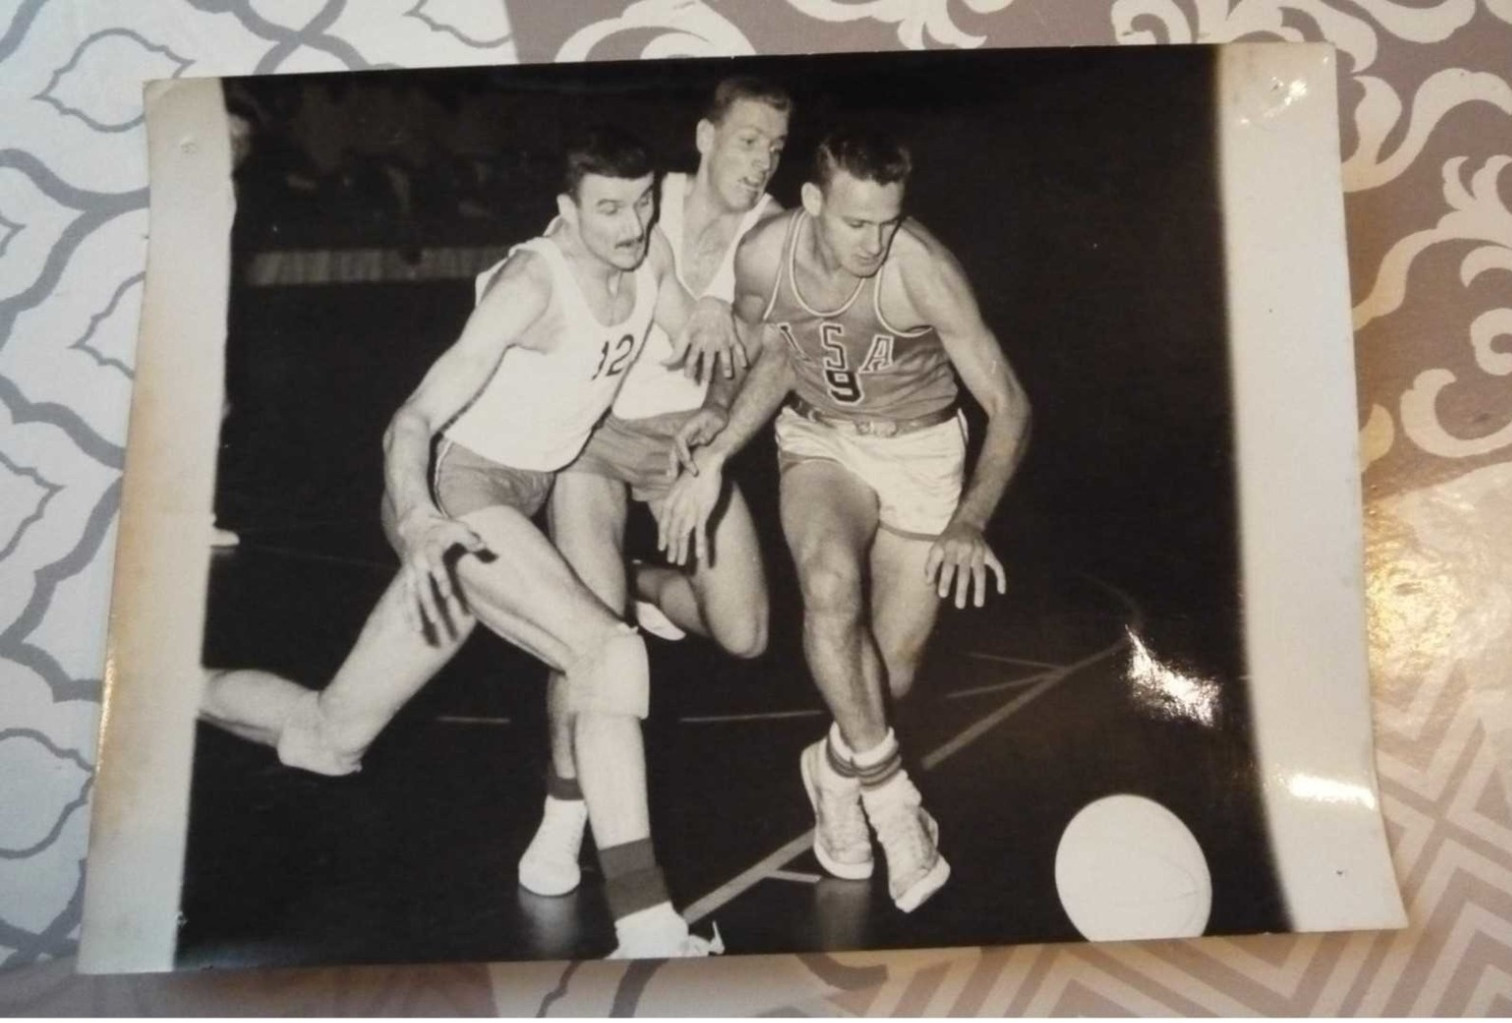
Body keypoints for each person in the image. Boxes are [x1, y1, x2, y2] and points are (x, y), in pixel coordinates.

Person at [199, 127, 722, 959]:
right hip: (461, 495)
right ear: (566, 211)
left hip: (524, 495)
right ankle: (646, 923)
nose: (630, 223)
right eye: (610, 209)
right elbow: (410, 421)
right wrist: (419, 521)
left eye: (643, 203)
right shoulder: (531, 286)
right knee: (609, 654)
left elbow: (695, 319)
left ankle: (157, 689)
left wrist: (716, 342)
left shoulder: (645, 253)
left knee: (328, 738)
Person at [657, 129, 1032, 913]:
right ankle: (895, 805)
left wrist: (971, 519)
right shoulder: (767, 253)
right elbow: (764, 344)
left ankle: (835, 769)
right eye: (857, 223)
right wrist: (718, 420)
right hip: (822, 442)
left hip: (923, 454)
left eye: (888, 221)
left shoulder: (919, 270)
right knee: (829, 584)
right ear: (815, 201)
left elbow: (1010, 405)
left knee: (881, 681)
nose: (874, 240)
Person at [516, 76, 791, 898]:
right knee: (586, 638)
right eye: (748, 140)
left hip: (684, 442)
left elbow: (756, 361)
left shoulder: (772, 231)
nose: (762, 160)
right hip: (594, 440)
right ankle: (563, 812)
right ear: (704, 138)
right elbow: (555, 273)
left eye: (776, 147)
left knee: (742, 632)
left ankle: (642, 585)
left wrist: (709, 439)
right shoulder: (640, 198)